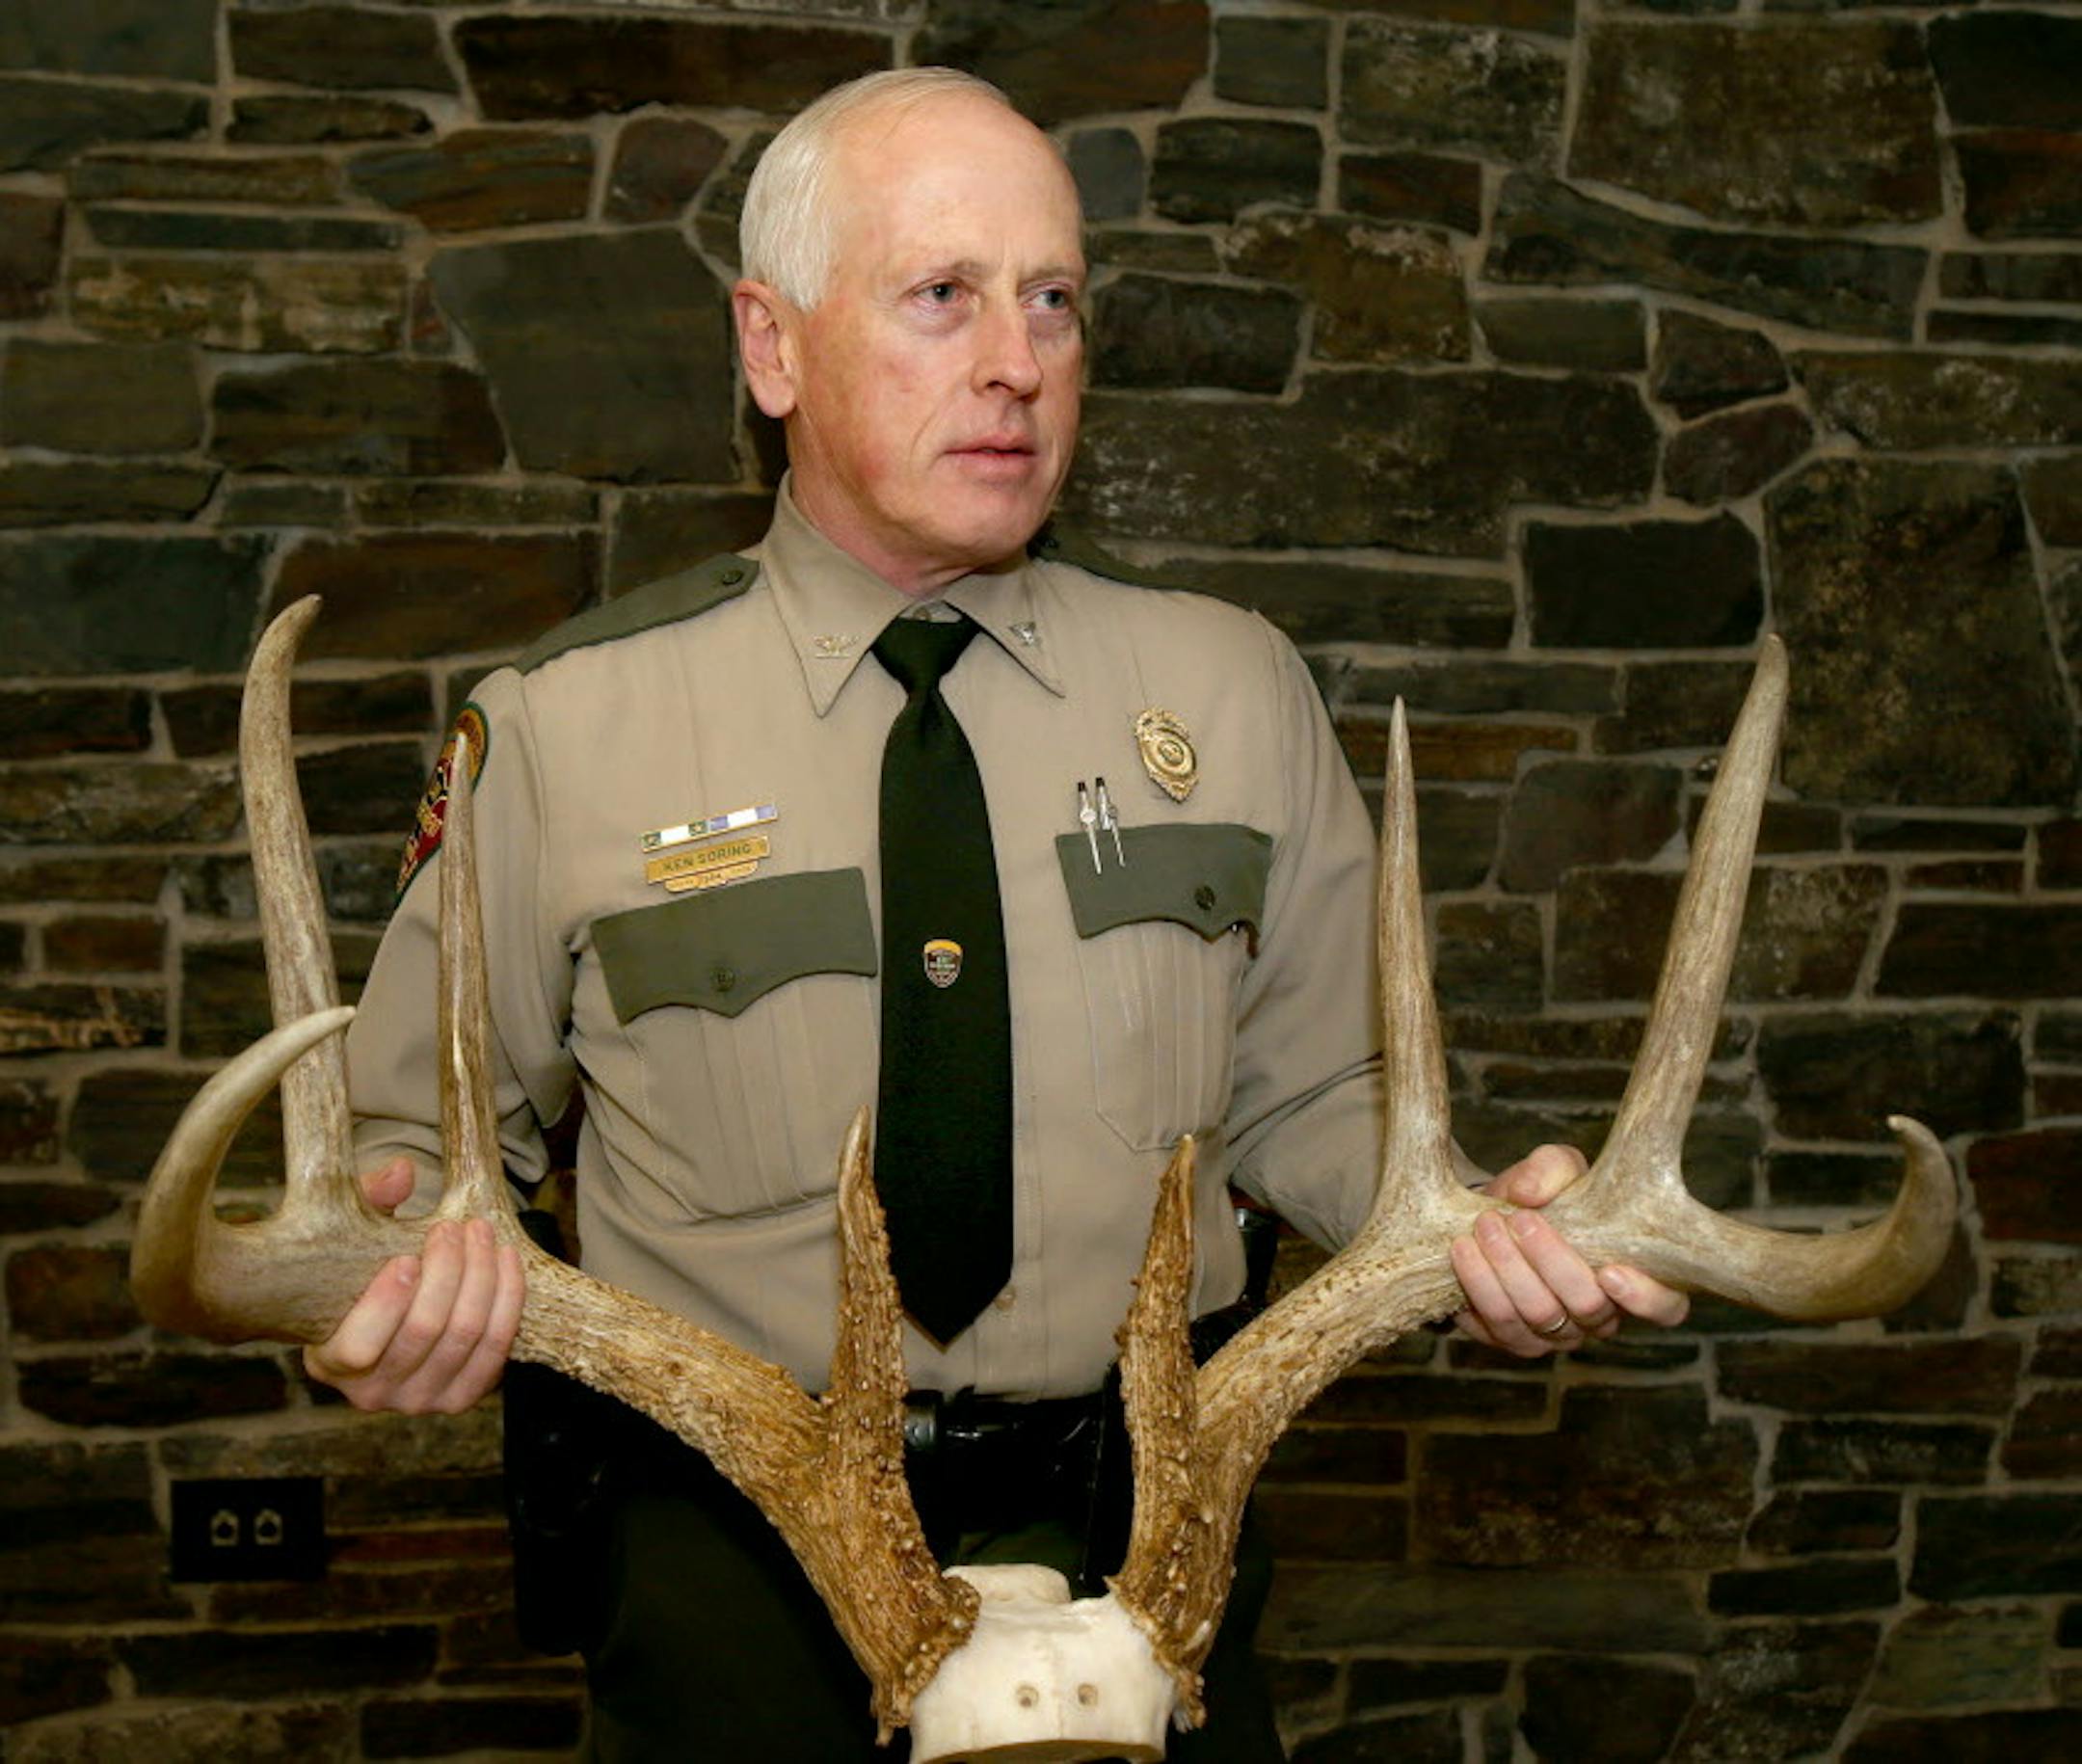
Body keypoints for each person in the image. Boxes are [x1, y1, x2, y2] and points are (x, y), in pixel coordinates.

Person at [310, 68, 1688, 1760]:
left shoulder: (1233, 693)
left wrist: (1477, 1220)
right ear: (770, 346)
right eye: (942, 296)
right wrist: (402, 1251)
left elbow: (1322, 1101)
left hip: (1150, 1552)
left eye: (1053, 302)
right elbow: (418, 1143)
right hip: (738, 1574)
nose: (1017, 364)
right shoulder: (562, 730)